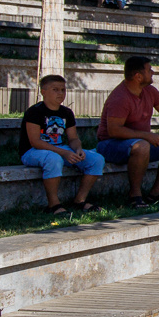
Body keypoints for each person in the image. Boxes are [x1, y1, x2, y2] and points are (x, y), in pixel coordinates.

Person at [96, 55, 159, 208]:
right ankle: (135, 195)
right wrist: (146, 136)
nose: (152, 73)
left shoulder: (150, 91)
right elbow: (114, 130)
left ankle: (156, 192)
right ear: (138, 76)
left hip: (140, 141)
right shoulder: (120, 97)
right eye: (149, 70)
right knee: (142, 146)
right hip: (110, 144)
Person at [19, 74, 103, 214]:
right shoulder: (34, 112)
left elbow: (73, 138)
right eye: (55, 89)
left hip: (58, 149)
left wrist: (78, 149)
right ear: (43, 92)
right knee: (54, 159)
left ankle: (80, 200)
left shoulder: (67, 113)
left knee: (96, 159)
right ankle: (53, 205)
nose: (60, 93)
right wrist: (63, 152)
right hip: (33, 151)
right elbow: (35, 141)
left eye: (63, 90)